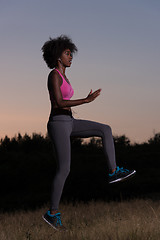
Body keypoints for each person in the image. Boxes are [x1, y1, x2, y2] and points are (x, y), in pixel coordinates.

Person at [41, 35, 136, 231]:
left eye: (71, 53)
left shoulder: (65, 76)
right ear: (58, 56)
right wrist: (85, 100)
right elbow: (58, 103)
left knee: (105, 129)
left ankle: (113, 171)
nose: (71, 57)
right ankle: (52, 213)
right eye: (67, 53)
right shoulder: (54, 75)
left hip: (69, 122)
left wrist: (83, 103)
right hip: (58, 123)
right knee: (64, 169)